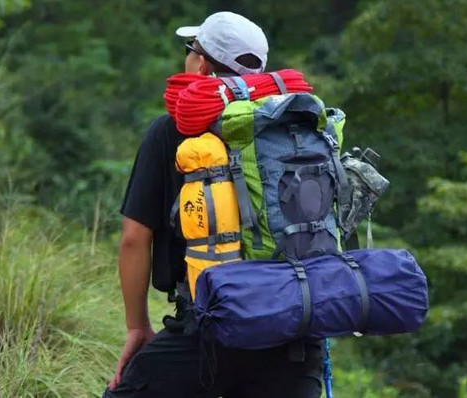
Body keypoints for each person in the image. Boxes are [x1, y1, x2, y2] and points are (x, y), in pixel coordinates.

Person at [103, 11, 324, 398]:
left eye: (191, 49)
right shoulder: (297, 129)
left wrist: (137, 327)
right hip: (294, 335)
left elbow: (134, 238)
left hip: (207, 333)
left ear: (201, 63)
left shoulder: (171, 129)